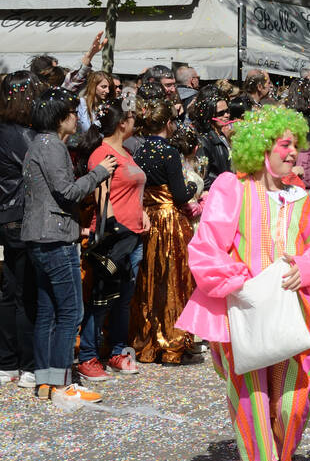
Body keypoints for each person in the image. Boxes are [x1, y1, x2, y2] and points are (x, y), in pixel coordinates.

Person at [177, 106, 310, 461]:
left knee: (295, 398)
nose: (294, 153)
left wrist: (307, 269)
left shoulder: (299, 195)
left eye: (297, 145)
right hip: (247, 315)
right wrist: (242, 280)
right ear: (262, 149)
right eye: (285, 145)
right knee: (252, 399)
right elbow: (205, 248)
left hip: (293, 314)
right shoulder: (231, 187)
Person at [21, 91, 117, 402]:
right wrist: (100, 172)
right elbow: (68, 192)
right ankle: (63, 383)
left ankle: (47, 381)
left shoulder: (42, 144)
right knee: (70, 311)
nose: (77, 118)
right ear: (60, 118)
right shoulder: (52, 147)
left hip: (42, 236)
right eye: (72, 113)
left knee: (49, 311)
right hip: (55, 236)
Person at [77, 104, 149, 381]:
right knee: (102, 298)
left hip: (133, 235)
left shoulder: (126, 153)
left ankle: (117, 351)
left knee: (123, 299)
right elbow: (102, 199)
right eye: (132, 117)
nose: (135, 121)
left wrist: (141, 212)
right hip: (113, 237)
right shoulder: (101, 155)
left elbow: (130, 191)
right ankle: (88, 356)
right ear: (122, 123)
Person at [128, 98, 197, 364]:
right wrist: (194, 187)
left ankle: (147, 342)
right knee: (172, 279)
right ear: (168, 124)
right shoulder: (169, 152)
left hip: (146, 218)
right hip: (169, 221)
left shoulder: (140, 151)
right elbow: (180, 194)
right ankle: (172, 342)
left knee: (149, 281)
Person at [0, 72, 39, 388]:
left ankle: (7, 363)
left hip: (6, 216)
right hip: (22, 216)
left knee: (9, 291)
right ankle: (26, 365)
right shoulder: (24, 136)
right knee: (26, 293)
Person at [190, 93, 234, 190]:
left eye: (227, 111)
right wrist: (221, 188)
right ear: (208, 115)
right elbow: (202, 178)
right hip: (217, 196)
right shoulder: (203, 141)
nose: (227, 115)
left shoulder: (220, 134)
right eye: (221, 113)